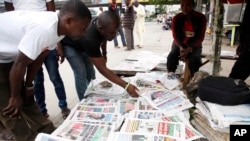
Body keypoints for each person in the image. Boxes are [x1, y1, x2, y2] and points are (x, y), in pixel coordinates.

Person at [0, 0, 92, 140]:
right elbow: (20, 64)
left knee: (27, 98)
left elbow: (38, 58)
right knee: (9, 105)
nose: (84, 33)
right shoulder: (44, 29)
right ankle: (26, 137)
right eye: (83, 28)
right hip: (6, 56)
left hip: (8, 56)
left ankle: (49, 132)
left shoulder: (59, 30)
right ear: (69, 21)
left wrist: (28, 86)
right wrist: (14, 96)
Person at [5, 0, 70, 119]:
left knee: (54, 77)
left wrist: (57, 44)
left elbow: (54, 15)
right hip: (29, 34)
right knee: (37, 80)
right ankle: (42, 110)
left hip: (46, 33)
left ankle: (63, 106)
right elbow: (10, 10)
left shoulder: (53, 27)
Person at [62, 11, 139, 100]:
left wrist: (104, 53)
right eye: (111, 33)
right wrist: (127, 86)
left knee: (90, 72)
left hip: (83, 44)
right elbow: (102, 70)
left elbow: (103, 39)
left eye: (116, 32)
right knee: (80, 73)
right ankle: (83, 100)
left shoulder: (102, 26)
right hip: (71, 45)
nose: (114, 36)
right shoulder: (91, 39)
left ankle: (93, 94)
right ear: (101, 28)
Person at [166, 0, 206, 78]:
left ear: (192, 6)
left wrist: (190, 49)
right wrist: (181, 48)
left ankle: (193, 79)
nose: (184, 8)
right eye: (182, 5)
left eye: (188, 5)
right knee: (172, 56)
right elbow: (175, 35)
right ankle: (170, 77)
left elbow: (200, 36)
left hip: (194, 44)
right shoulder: (176, 18)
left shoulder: (201, 18)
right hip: (179, 43)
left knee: (195, 59)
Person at [229, 1, 250, 81]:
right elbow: (246, 26)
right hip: (247, 49)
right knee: (233, 81)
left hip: (247, 50)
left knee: (233, 81)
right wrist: (242, 44)